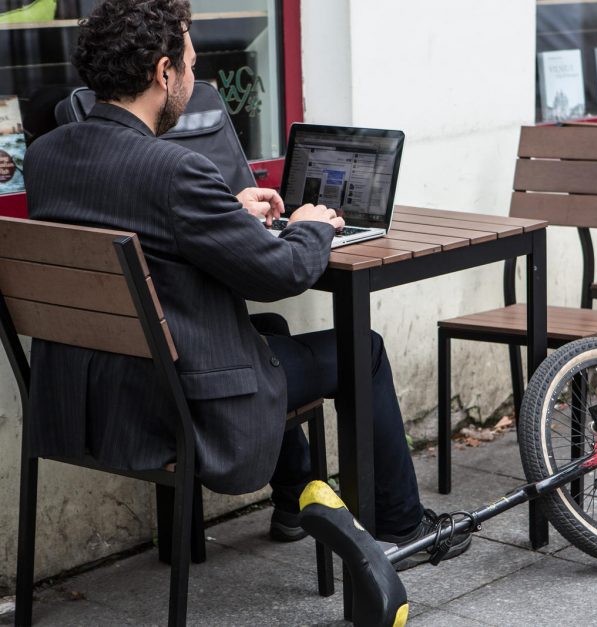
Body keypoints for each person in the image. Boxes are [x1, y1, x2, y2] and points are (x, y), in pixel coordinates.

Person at [23, 0, 467, 571]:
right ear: (163, 73)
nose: (194, 73)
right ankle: (402, 530)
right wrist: (311, 228)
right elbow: (280, 273)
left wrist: (223, 213)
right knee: (365, 350)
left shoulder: (47, 156)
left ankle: (294, 500)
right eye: (189, 61)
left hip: (87, 398)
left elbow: (135, 225)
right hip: (171, 406)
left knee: (270, 332)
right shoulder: (173, 171)